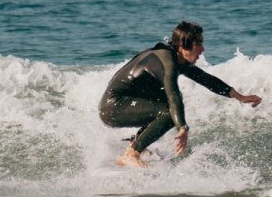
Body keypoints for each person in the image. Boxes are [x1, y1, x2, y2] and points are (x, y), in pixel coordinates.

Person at [99, 21, 261, 167]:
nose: (203, 49)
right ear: (184, 45)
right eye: (199, 44)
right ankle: (132, 153)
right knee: (171, 111)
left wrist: (240, 97)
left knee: (170, 106)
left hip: (125, 102)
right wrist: (182, 128)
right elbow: (173, 94)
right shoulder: (167, 63)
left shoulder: (177, 59)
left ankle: (136, 144)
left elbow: (207, 80)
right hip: (114, 107)